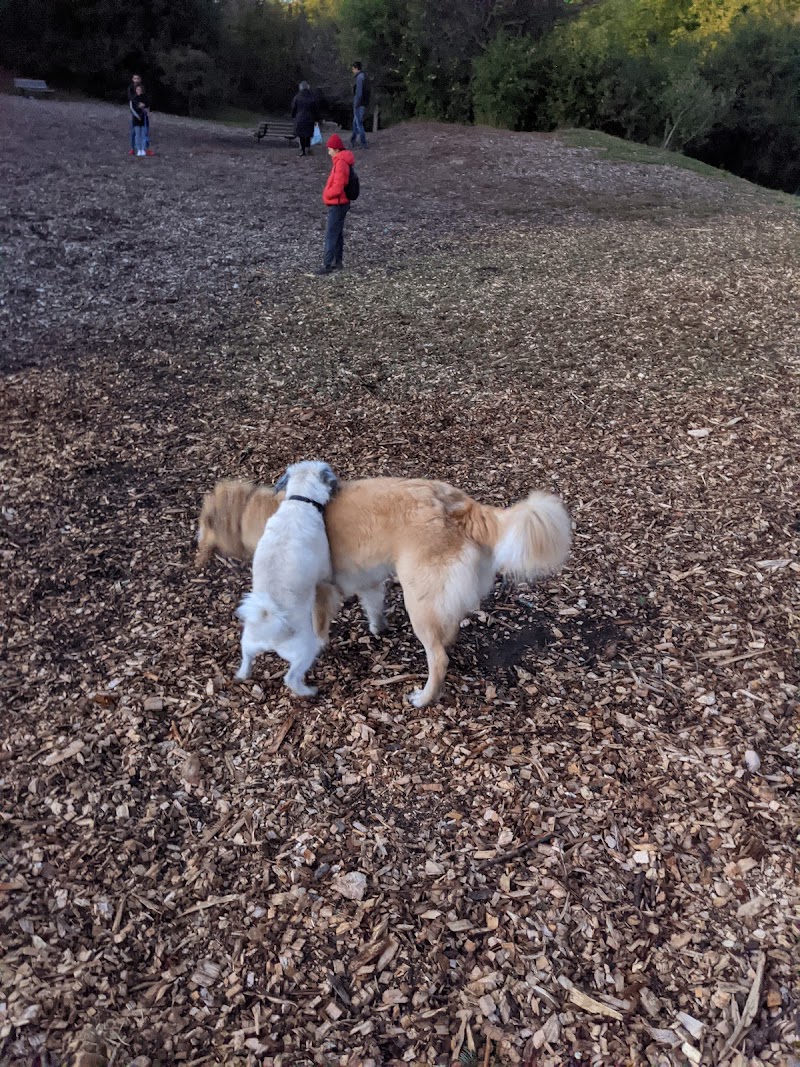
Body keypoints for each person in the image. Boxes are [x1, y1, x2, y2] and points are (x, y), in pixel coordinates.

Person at [315, 135, 355, 275]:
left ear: (336, 149)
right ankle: (337, 262)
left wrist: (327, 194)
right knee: (337, 233)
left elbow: (338, 186)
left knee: (331, 234)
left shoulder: (340, 163)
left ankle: (327, 264)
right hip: (341, 203)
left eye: (330, 149)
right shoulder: (342, 161)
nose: (329, 152)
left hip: (338, 203)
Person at [291, 81, 319, 157]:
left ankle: (303, 150)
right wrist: (316, 118)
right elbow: (315, 109)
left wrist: (294, 116)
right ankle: (308, 148)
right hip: (310, 118)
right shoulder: (312, 97)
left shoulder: (297, 97)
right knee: (308, 134)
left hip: (299, 118)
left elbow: (294, 108)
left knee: (301, 135)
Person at [127, 74, 153, 156]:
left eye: (137, 78)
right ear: (132, 79)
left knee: (145, 131)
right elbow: (131, 99)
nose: (136, 80)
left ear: (140, 79)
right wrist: (138, 104)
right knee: (134, 131)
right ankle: (133, 148)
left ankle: (146, 148)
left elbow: (147, 100)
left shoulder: (144, 89)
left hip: (143, 114)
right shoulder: (130, 89)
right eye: (135, 78)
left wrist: (144, 105)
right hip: (135, 113)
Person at [350, 61, 370, 150]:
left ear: (356, 68)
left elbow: (359, 93)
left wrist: (356, 104)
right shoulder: (365, 76)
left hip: (359, 103)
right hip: (364, 102)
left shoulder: (359, 78)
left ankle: (363, 142)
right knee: (355, 122)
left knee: (359, 123)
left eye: (353, 68)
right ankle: (353, 140)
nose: (352, 70)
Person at [130, 85, 149, 156]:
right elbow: (133, 108)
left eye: (140, 89)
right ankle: (138, 149)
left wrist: (143, 106)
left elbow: (146, 106)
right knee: (137, 135)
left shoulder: (144, 97)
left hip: (143, 118)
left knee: (143, 134)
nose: (139, 90)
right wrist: (137, 115)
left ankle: (143, 149)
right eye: (137, 89)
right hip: (136, 118)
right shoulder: (134, 98)